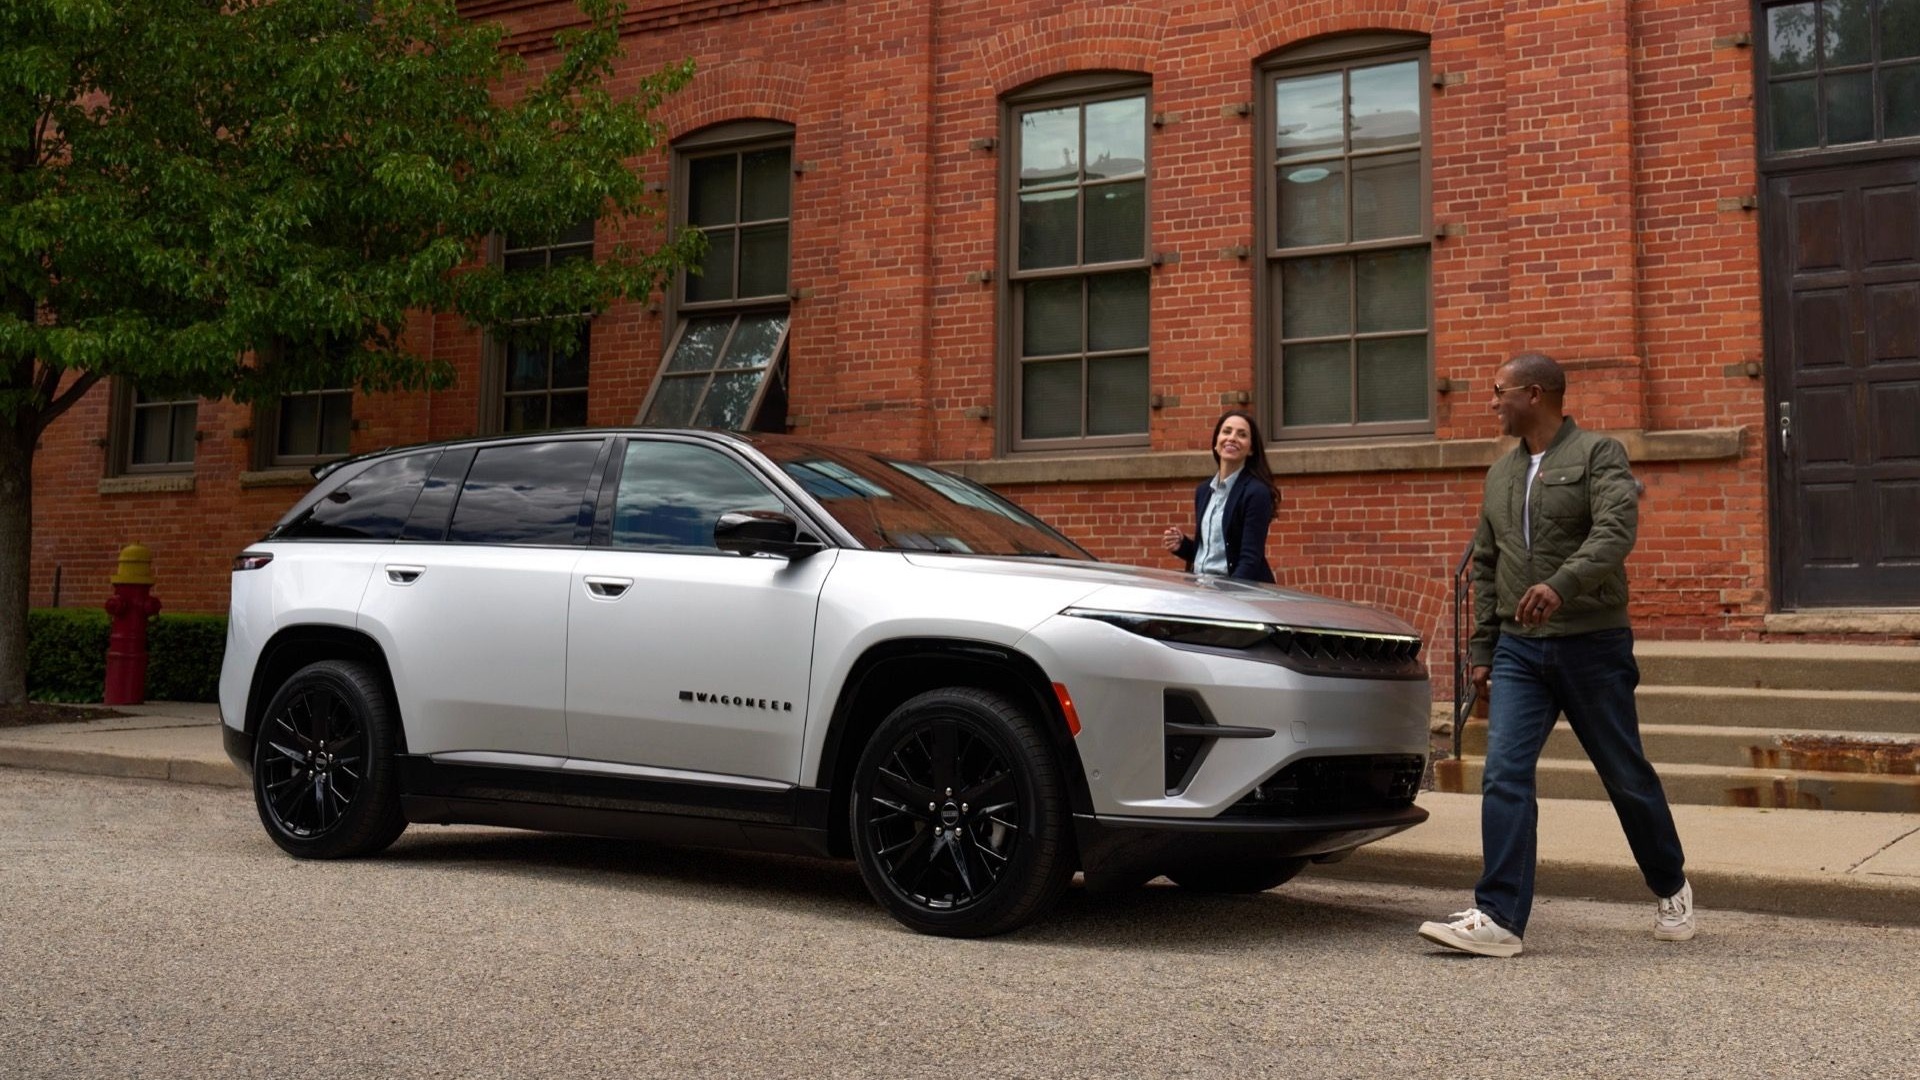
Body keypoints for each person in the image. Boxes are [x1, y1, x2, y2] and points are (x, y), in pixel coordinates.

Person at [1418, 352, 1693, 958]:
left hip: (1591, 644)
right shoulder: (1500, 475)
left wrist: (1562, 584)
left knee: (1625, 775)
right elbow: (1486, 567)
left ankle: (1670, 885)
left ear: (1534, 394)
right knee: (1505, 775)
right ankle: (1500, 917)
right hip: (1520, 649)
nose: (1492, 402)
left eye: (1500, 391)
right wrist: (1483, 650)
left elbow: (1614, 532)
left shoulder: (1599, 455)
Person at [1160, 409, 1278, 583]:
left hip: (1238, 597)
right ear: (1216, 442)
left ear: (1251, 449)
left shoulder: (1256, 492)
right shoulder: (1203, 490)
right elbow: (1212, 555)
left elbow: (1250, 560)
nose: (1232, 438)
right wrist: (1183, 546)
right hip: (1204, 591)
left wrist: (1231, 599)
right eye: (1226, 431)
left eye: (1242, 434)